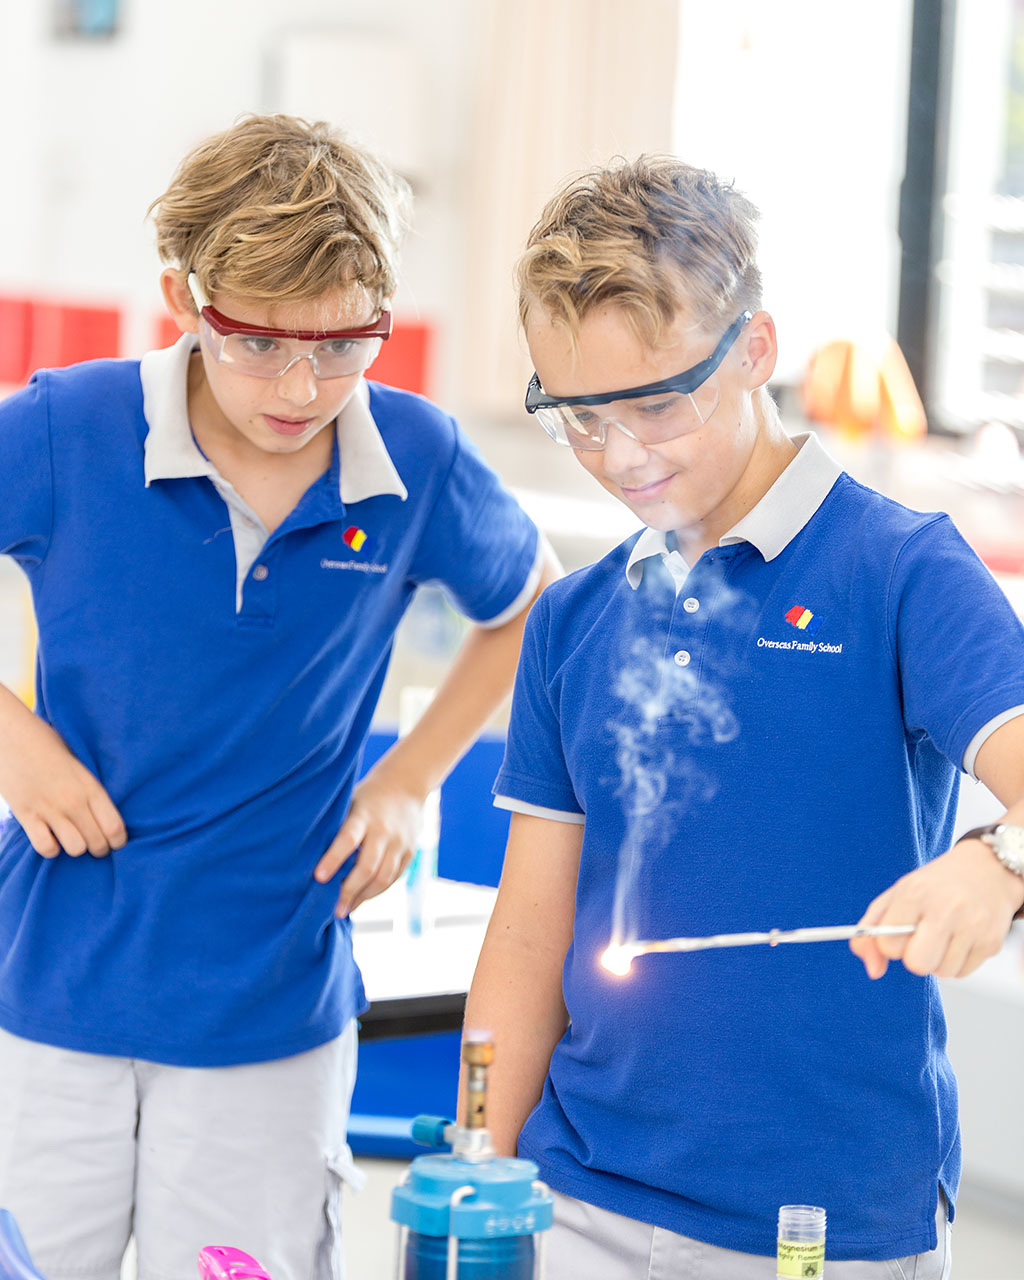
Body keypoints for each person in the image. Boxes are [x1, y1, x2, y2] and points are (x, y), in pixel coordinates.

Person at [0, 114, 560, 1280]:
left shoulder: (418, 457)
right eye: (258, 344)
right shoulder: (63, 427)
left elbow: (532, 609)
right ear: (184, 297)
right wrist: (11, 738)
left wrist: (412, 777)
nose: (304, 386)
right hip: (48, 992)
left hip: (270, 1010)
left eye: (347, 344)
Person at [462, 155, 1024, 1279]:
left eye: (657, 404)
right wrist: (478, 1163)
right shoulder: (574, 618)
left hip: (822, 1223)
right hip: (577, 1197)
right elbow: (528, 938)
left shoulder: (901, 569)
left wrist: (998, 859)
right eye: (576, 415)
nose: (620, 456)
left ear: (753, 350)